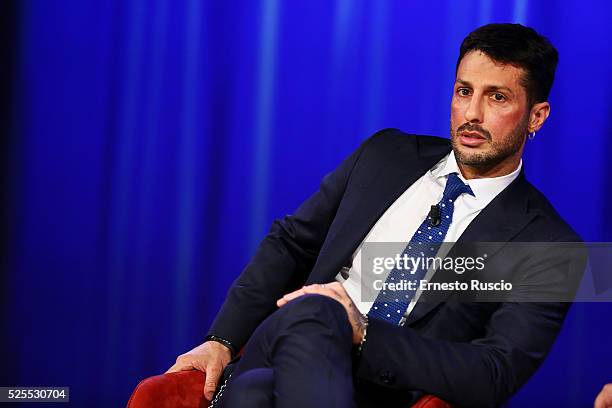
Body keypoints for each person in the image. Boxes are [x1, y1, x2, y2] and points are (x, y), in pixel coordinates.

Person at [166, 23, 586, 408]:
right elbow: (291, 242)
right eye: (463, 91)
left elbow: (496, 372)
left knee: (255, 394)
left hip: (383, 390)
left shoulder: (551, 247)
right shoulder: (385, 155)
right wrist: (221, 339)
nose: (472, 114)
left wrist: (364, 332)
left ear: (537, 116)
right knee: (319, 310)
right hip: (294, 336)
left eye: (497, 97)